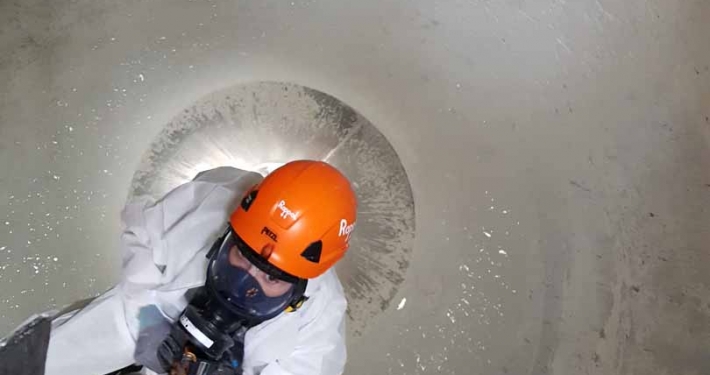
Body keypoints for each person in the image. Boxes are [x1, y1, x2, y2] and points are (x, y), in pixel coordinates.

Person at [43, 160, 357, 375]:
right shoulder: (211, 201)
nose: (241, 285)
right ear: (228, 235)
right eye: (240, 257)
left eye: (271, 278)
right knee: (52, 355)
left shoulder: (319, 320)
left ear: (300, 290)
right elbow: (142, 237)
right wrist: (150, 327)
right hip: (132, 324)